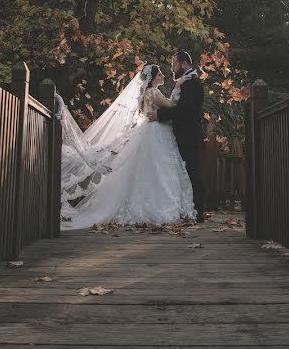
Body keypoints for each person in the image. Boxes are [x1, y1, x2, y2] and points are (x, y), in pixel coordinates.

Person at [58, 64, 196, 230]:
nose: (163, 76)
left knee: (148, 169)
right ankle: (158, 206)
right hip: (155, 133)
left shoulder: (147, 93)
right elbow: (172, 105)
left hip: (149, 131)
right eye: (159, 74)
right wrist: (177, 86)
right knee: (158, 168)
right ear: (153, 78)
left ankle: (145, 203)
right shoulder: (154, 92)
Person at [146, 51, 205, 223]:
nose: (172, 68)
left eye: (174, 64)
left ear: (184, 64)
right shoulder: (184, 82)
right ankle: (188, 209)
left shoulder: (192, 83)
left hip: (189, 136)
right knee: (183, 172)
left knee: (191, 172)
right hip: (181, 135)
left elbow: (185, 110)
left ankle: (196, 211)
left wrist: (160, 115)